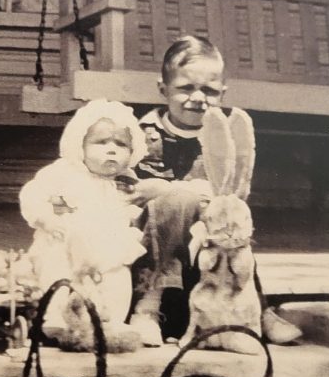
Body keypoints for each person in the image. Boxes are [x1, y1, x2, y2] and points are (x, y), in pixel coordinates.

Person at [128, 35, 302, 347]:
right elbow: (138, 190)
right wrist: (172, 191)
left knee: (231, 216)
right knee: (180, 199)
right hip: (155, 236)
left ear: (222, 92)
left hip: (205, 239)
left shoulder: (219, 136)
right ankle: (148, 306)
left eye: (209, 90)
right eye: (185, 88)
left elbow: (223, 188)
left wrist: (174, 189)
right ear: (163, 89)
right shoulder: (146, 134)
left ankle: (256, 309)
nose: (198, 98)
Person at [19, 99, 148, 337]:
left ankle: (111, 321)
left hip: (107, 248)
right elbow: (33, 195)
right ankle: (53, 318)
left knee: (117, 277)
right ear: (79, 145)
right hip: (64, 242)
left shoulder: (126, 181)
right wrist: (46, 218)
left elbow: (133, 213)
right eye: (101, 142)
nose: (112, 149)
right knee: (56, 271)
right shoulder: (62, 172)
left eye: (121, 144)